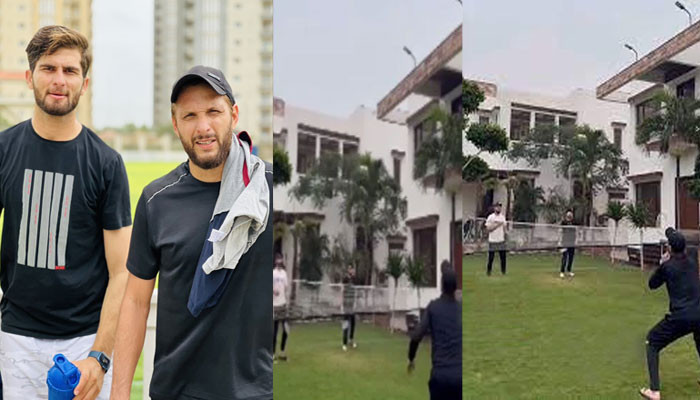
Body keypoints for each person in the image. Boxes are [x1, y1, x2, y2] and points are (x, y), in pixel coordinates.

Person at [110, 66, 273, 399]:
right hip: (177, 391)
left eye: (214, 111)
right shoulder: (157, 200)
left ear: (234, 114)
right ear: (175, 124)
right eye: (190, 116)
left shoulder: (269, 189)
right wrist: (120, 392)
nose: (203, 127)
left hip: (258, 391)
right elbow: (136, 301)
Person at [0, 25, 132, 400]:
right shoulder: (4, 150)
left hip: (84, 344)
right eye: (49, 68)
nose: (60, 80)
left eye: (70, 71)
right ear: (30, 77)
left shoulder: (106, 163)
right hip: (16, 341)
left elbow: (122, 270)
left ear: (84, 83)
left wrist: (100, 357)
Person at [639, 228, 700, 400]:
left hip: (682, 315)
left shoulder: (667, 267)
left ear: (670, 249)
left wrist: (662, 263)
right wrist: (672, 235)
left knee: (652, 341)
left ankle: (654, 391)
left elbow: (652, 284)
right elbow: (682, 243)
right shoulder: (694, 256)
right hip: (699, 312)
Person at [408, 262, 462, 400]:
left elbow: (416, 336)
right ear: (456, 287)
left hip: (440, 377)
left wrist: (411, 358)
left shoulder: (433, 308)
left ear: (442, 285)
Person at [273, 253, 290, 362]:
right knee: (274, 330)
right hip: (274, 305)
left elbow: (286, 287)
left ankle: (282, 352)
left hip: (283, 304)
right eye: (278, 260)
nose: (279, 262)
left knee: (285, 330)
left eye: (281, 260)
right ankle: (273, 354)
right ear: (276, 261)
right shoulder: (272, 273)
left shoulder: (284, 274)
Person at [485, 202, 507, 275]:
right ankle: (489, 272)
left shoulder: (502, 217)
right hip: (493, 240)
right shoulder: (491, 217)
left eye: (500, 207)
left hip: (501, 240)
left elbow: (504, 228)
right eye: (497, 207)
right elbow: (488, 229)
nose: (499, 208)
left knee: (503, 258)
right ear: (494, 208)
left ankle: (503, 271)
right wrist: (497, 225)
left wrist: (505, 235)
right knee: (491, 258)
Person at [341, 266, 358, 351]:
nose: (353, 271)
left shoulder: (353, 281)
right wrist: (341, 305)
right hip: (346, 307)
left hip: (352, 307)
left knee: (353, 324)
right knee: (345, 325)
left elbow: (354, 293)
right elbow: (342, 290)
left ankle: (351, 340)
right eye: (352, 270)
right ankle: (344, 343)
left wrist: (354, 304)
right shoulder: (345, 279)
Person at [559, 210, 576, 278]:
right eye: (568, 214)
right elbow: (560, 231)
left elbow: (576, 231)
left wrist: (576, 240)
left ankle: (569, 271)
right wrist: (560, 241)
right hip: (565, 242)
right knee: (565, 258)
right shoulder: (563, 222)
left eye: (571, 214)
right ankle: (562, 271)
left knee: (571, 258)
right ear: (566, 215)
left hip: (572, 243)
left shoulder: (574, 222)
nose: (570, 215)